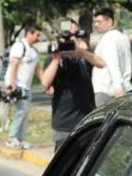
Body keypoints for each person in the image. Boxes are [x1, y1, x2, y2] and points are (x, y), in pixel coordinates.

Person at [41, 20, 105, 151]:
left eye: (73, 33)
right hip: (64, 123)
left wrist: (80, 52)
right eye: (66, 34)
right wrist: (57, 59)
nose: (70, 37)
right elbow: (45, 83)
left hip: (87, 120)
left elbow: (101, 63)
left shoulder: (83, 55)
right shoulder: (53, 58)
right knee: (65, 162)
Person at [4, 23, 42, 150]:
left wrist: (46, 84)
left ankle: (21, 139)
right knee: (22, 110)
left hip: (26, 87)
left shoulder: (34, 51)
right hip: (16, 85)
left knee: (25, 112)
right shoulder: (19, 46)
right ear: (29, 34)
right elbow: (14, 65)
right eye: (37, 35)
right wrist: (12, 84)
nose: (38, 38)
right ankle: (11, 137)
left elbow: (38, 68)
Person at [91, 7, 132, 107]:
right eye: (95, 22)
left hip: (109, 92)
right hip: (126, 88)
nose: (96, 25)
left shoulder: (108, 39)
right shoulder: (123, 37)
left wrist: (118, 87)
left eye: (99, 22)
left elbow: (113, 64)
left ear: (109, 22)